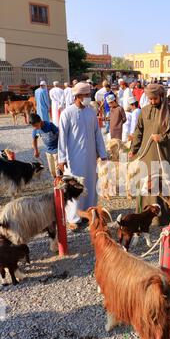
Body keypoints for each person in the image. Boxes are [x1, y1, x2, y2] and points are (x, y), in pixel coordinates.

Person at [130, 83, 170, 226]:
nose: (152, 102)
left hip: (163, 154)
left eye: (155, 99)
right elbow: (138, 132)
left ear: (162, 96)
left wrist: (163, 137)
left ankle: (164, 216)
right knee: (146, 183)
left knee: (163, 183)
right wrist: (133, 149)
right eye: (150, 99)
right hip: (146, 154)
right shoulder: (144, 111)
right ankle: (144, 215)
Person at [58, 82, 107, 230]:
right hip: (74, 157)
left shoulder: (91, 112)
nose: (88, 97)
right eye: (86, 95)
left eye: (88, 95)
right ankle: (73, 218)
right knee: (75, 186)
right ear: (78, 96)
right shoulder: (67, 113)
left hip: (91, 157)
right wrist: (61, 159)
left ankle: (88, 214)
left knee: (91, 185)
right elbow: (62, 137)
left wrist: (103, 153)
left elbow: (97, 133)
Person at [29, 113, 59, 179]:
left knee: (58, 171)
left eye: (36, 125)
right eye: (34, 126)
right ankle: (55, 183)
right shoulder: (36, 130)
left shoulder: (50, 126)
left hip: (57, 151)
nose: (36, 127)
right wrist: (36, 151)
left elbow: (60, 135)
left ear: (40, 120)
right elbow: (34, 140)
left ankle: (60, 185)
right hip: (48, 152)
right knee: (52, 171)